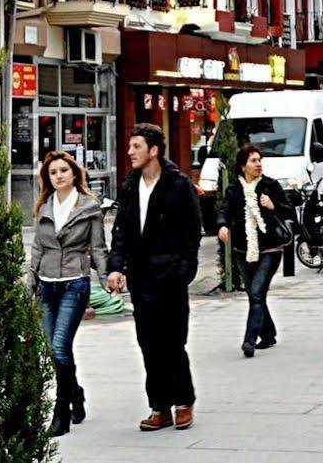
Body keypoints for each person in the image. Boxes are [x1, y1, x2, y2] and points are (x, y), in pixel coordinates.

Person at [105, 124, 201, 432]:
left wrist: (185, 269)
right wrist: (116, 266)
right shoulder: (130, 185)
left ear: (153, 150)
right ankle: (159, 407)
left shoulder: (178, 184)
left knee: (173, 341)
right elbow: (121, 230)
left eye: (136, 146)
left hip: (171, 275)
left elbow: (192, 230)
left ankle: (183, 402)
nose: (130, 152)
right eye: (130, 146)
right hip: (141, 276)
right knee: (148, 342)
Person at [26, 150, 105, 437]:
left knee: (60, 347)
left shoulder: (89, 207)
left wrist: (109, 279)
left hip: (75, 283)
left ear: (74, 174)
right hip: (47, 285)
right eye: (53, 172)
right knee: (53, 350)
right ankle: (76, 393)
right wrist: (30, 280)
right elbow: (37, 248)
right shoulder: (44, 207)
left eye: (63, 171)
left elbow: (98, 248)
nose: (58, 176)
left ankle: (61, 412)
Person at [217, 143, 289, 357]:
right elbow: (224, 210)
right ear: (242, 166)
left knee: (257, 293)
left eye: (259, 160)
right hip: (242, 248)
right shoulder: (234, 189)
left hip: (270, 248)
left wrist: (273, 205)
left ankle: (250, 340)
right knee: (254, 294)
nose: (258, 164)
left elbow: (289, 210)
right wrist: (222, 225)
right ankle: (269, 333)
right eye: (253, 161)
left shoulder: (270, 186)